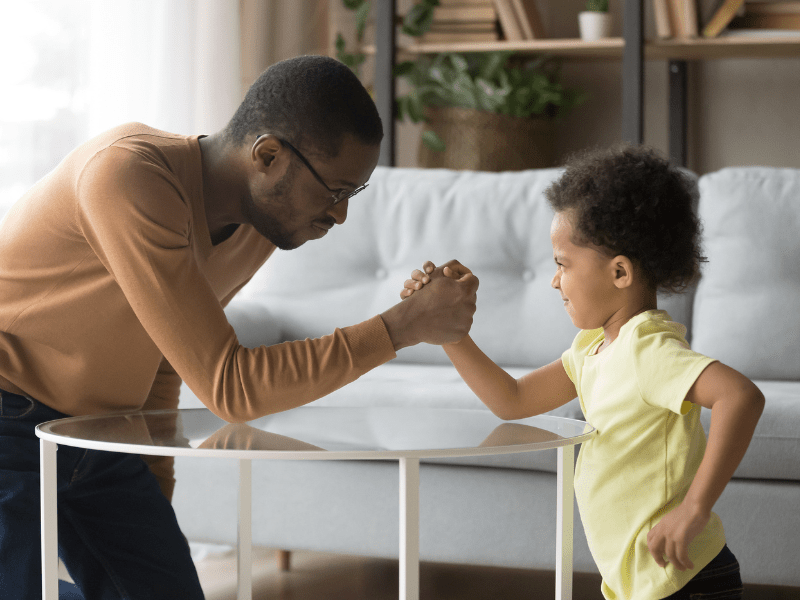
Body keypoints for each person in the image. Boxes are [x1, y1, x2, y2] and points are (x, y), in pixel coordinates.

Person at [0, 55, 478, 599]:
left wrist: (154, 488)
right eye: (335, 191)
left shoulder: (258, 224)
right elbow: (231, 385)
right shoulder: (128, 176)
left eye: (353, 194)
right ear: (268, 155)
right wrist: (399, 327)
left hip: (102, 434)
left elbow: (169, 355)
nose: (340, 215)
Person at [401, 145, 764, 600]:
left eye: (562, 263)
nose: (555, 280)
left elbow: (740, 396)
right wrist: (449, 331)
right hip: (644, 580)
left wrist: (695, 507)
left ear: (619, 272)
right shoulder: (591, 349)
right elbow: (511, 400)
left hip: (683, 578)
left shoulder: (647, 348)